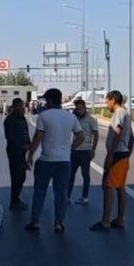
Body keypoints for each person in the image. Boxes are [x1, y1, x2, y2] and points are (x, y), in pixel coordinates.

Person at [25, 88, 84, 233]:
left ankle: (35, 222)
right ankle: (58, 223)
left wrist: (30, 155)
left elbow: (38, 137)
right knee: (61, 193)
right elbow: (81, 136)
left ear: (49, 101)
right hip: (64, 161)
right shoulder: (70, 117)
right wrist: (69, 148)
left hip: (46, 160)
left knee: (40, 191)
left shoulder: (44, 116)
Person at [91, 90, 134, 231]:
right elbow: (132, 139)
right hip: (123, 154)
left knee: (108, 186)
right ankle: (120, 219)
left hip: (116, 154)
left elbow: (117, 133)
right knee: (120, 187)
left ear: (113, 100)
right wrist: (128, 154)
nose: (106, 104)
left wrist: (110, 155)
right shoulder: (125, 114)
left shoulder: (119, 114)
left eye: (107, 101)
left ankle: (106, 221)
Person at [67, 99, 98, 205]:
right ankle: (67, 197)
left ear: (85, 108)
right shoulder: (74, 118)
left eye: (80, 109)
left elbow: (96, 134)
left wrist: (93, 149)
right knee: (70, 175)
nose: (78, 111)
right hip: (74, 151)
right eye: (76, 109)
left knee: (85, 175)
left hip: (85, 151)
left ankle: (84, 197)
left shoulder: (91, 120)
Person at [3, 98, 30, 211]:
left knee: (22, 176)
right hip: (14, 151)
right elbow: (10, 137)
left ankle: (16, 198)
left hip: (22, 151)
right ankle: (14, 201)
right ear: (13, 107)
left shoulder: (22, 118)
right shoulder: (10, 120)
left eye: (21, 106)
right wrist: (21, 146)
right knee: (16, 176)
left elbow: (25, 132)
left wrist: (29, 144)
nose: (20, 108)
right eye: (18, 106)